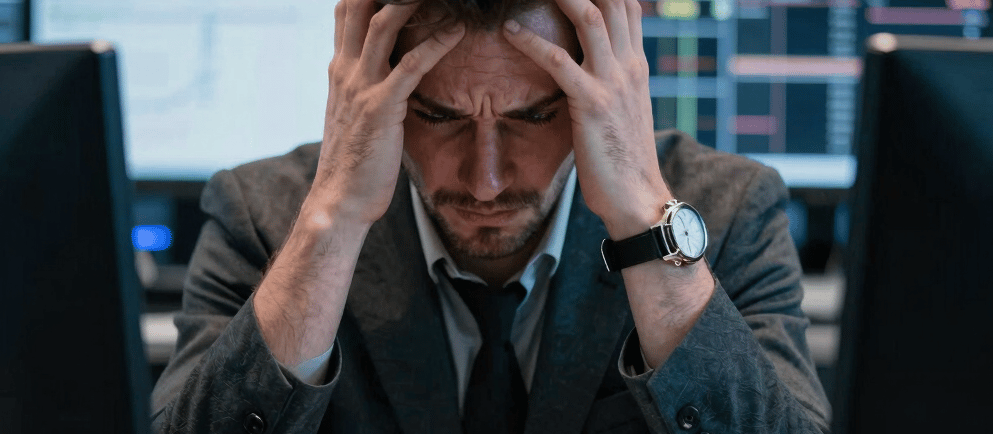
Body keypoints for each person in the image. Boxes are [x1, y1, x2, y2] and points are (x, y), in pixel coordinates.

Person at [150, 0, 831, 432]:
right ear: (369, 93)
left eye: (534, 115)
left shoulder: (730, 212)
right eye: (438, 116)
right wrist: (332, 222)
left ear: (608, 85)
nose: (487, 178)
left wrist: (642, 221)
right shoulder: (265, 218)